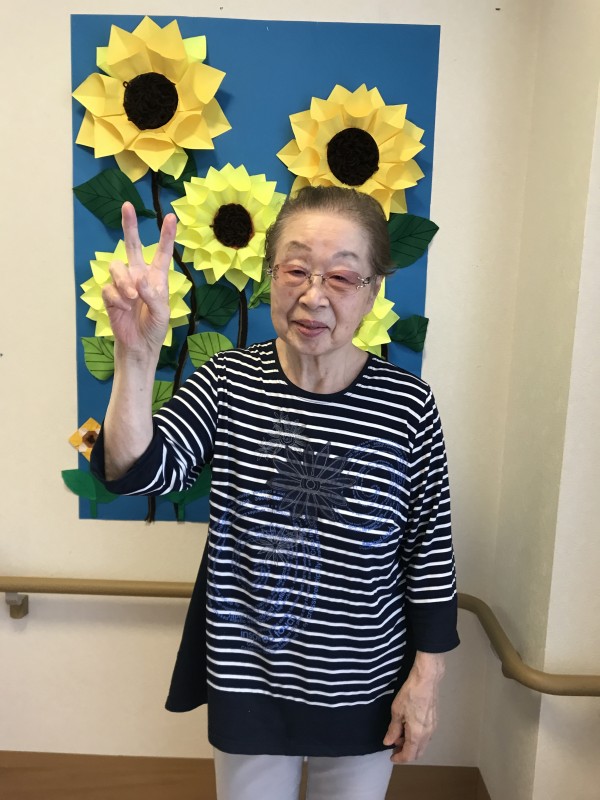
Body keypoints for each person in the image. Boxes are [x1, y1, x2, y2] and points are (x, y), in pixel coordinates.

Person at [91, 186, 459, 800]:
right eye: (296, 270)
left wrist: (428, 676)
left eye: (342, 277)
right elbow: (138, 472)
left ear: (372, 290)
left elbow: (430, 554)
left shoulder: (408, 406)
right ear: (270, 275)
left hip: (363, 683)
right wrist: (136, 356)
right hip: (250, 679)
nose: (314, 296)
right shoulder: (227, 382)